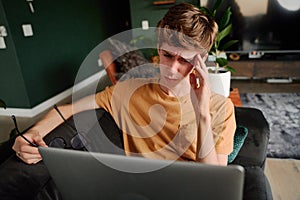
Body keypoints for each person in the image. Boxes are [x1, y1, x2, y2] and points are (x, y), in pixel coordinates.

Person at [11, 2, 236, 166]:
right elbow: (67, 109)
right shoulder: (128, 90)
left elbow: (214, 181)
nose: (173, 68)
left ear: (202, 59)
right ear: (159, 46)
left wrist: (202, 112)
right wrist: (31, 133)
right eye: (167, 55)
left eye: (185, 61)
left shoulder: (221, 109)